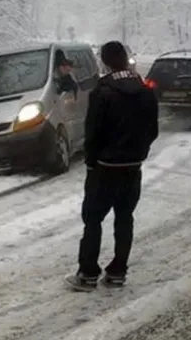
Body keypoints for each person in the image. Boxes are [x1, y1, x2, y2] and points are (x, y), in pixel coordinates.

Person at [65, 41, 159, 291]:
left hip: (104, 168)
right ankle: (118, 271)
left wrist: (92, 160)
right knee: (125, 217)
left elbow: (92, 131)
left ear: (105, 62)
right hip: (132, 166)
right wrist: (140, 150)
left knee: (93, 220)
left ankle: (87, 274)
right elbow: (153, 129)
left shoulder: (102, 91)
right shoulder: (145, 89)